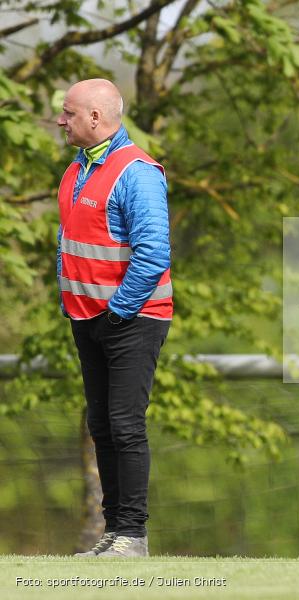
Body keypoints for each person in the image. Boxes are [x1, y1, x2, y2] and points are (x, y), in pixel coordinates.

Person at [56, 79, 173, 558]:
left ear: (96, 119)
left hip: (132, 317)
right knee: (101, 425)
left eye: (68, 113)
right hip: (87, 318)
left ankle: (134, 536)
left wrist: (117, 312)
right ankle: (114, 532)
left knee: (125, 424)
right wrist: (74, 305)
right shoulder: (76, 169)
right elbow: (70, 242)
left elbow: (153, 253)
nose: (61, 121)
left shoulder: (137, 171)